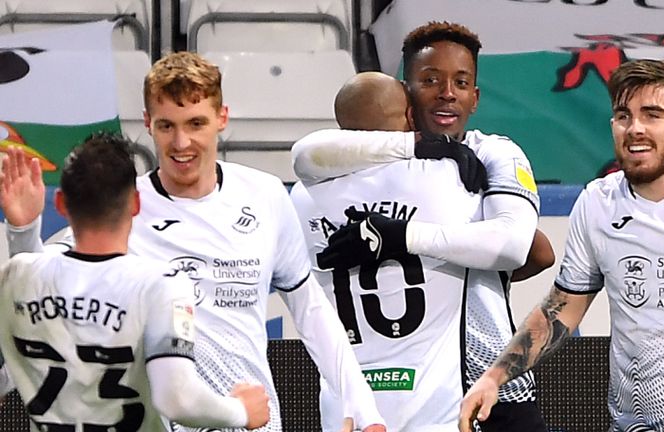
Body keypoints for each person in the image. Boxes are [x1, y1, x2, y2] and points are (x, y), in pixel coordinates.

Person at [1, 52, 385, 432]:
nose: (181, 142)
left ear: (222, 118)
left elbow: (312, 311)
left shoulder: (265, 195)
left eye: (196, 123)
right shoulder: (120, 204)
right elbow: (38, 300)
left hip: (254, 425)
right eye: (167, 126)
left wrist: (363, 407)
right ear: (148, 124)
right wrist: (25, 228)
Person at [458, 58, 664, 432]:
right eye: (624, 116)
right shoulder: (597, 202)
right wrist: (493, 378)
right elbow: (561, 310)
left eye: (653, 115)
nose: (635, 128)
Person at [291, 22, 550, 432]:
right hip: (420, 387)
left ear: (475, 97)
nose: (447, 92)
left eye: (461, 83)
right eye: (430, 80)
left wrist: (403, 241)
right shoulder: (386, 168)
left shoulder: (491, 151)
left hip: (492, 378)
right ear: (405, 92)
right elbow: (306, 153)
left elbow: (525, 248)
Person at [0, 133, 270, 430]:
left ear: (61, 204)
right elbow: (177, 399)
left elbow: (38, 291)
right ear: (136, 203)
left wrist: (23, 228)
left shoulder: (14, 276)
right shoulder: (161, 285)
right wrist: (241, 411)